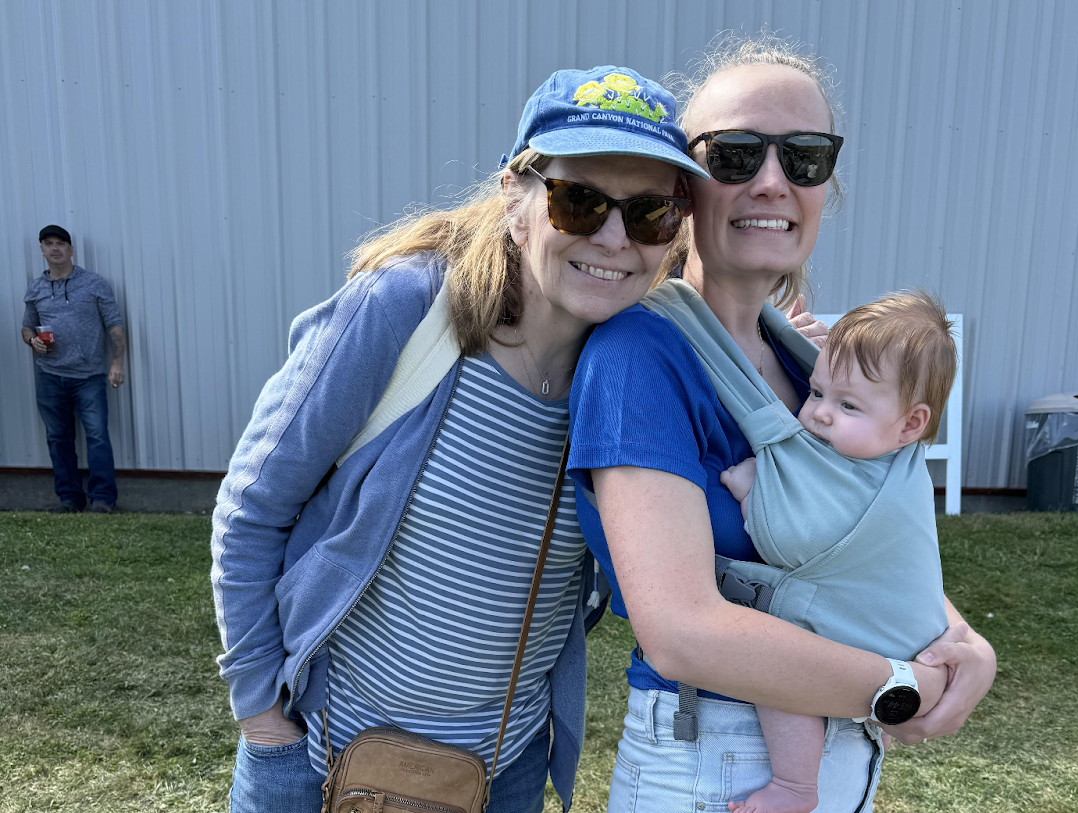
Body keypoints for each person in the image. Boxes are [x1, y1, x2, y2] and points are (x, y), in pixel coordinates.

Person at [210, 66, 708, 813]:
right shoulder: (406, 310)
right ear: (516, 195)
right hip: (321, 762)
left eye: (648, 215)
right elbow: (252, 507)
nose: (614, 238)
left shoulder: (632, 369)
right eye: (580, 202)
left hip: (502, 773)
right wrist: (263, 720)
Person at [566, 36, 997, 812]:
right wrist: (902, 685)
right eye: (735, 155)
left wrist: (963, 641)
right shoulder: (638, 356)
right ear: (687, 184)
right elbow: (682, 631)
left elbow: (858, 538)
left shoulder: (811, 367)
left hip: (836, 756)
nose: (772, 180)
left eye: (804, 157)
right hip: (719, 765)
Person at [714, 291, 958, 813]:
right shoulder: (885, 449)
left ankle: (796, 786)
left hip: (875, 637)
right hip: (901, 639)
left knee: (779, 666)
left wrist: (751, 486)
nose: (819, 414)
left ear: (911, 424)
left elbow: (789, 531)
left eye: (847, 405)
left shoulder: (867, 474)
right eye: (816, 390)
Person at [21, 224, 126, 514]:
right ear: (42, 250)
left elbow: (114, 324)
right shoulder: (36, 288)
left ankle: (103, 499)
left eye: (60, 243)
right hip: (49, 376)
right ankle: (69, 499)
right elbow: (27, 325)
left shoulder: (94, 284)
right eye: (48, 244)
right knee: (58, 438)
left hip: (88, 376)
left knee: (97, 436)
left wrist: (117, 362)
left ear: (70, 250)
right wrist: (32, 341)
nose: (54, 248)